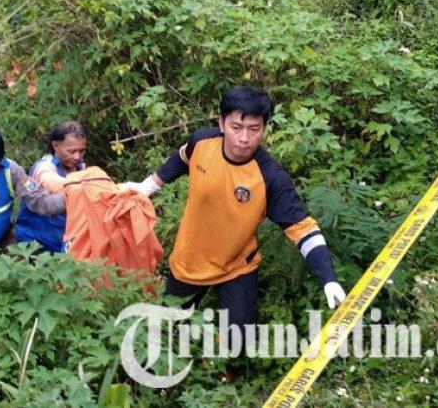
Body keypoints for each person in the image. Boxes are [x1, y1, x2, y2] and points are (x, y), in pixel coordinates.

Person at [122, 87, 347, 342]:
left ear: (264, 129)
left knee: (240, 341)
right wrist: (147, 187)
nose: (244, 138)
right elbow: (182, 158)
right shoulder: (202, 142)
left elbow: (303, 229)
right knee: (167, 334)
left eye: (254, 129)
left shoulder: (271, 178)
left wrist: (328, 278)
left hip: (237, 264)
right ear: (221, 123)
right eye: (236, 127)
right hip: (190, 260)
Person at [15, 121, 87, 252]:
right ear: (55, 146)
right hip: (36, 242)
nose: (77, 156)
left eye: (81, 151)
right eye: (72, 151)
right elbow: (51, 182)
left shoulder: (79, 166)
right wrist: (89, 187)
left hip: (62, 239)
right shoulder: (43, 167)